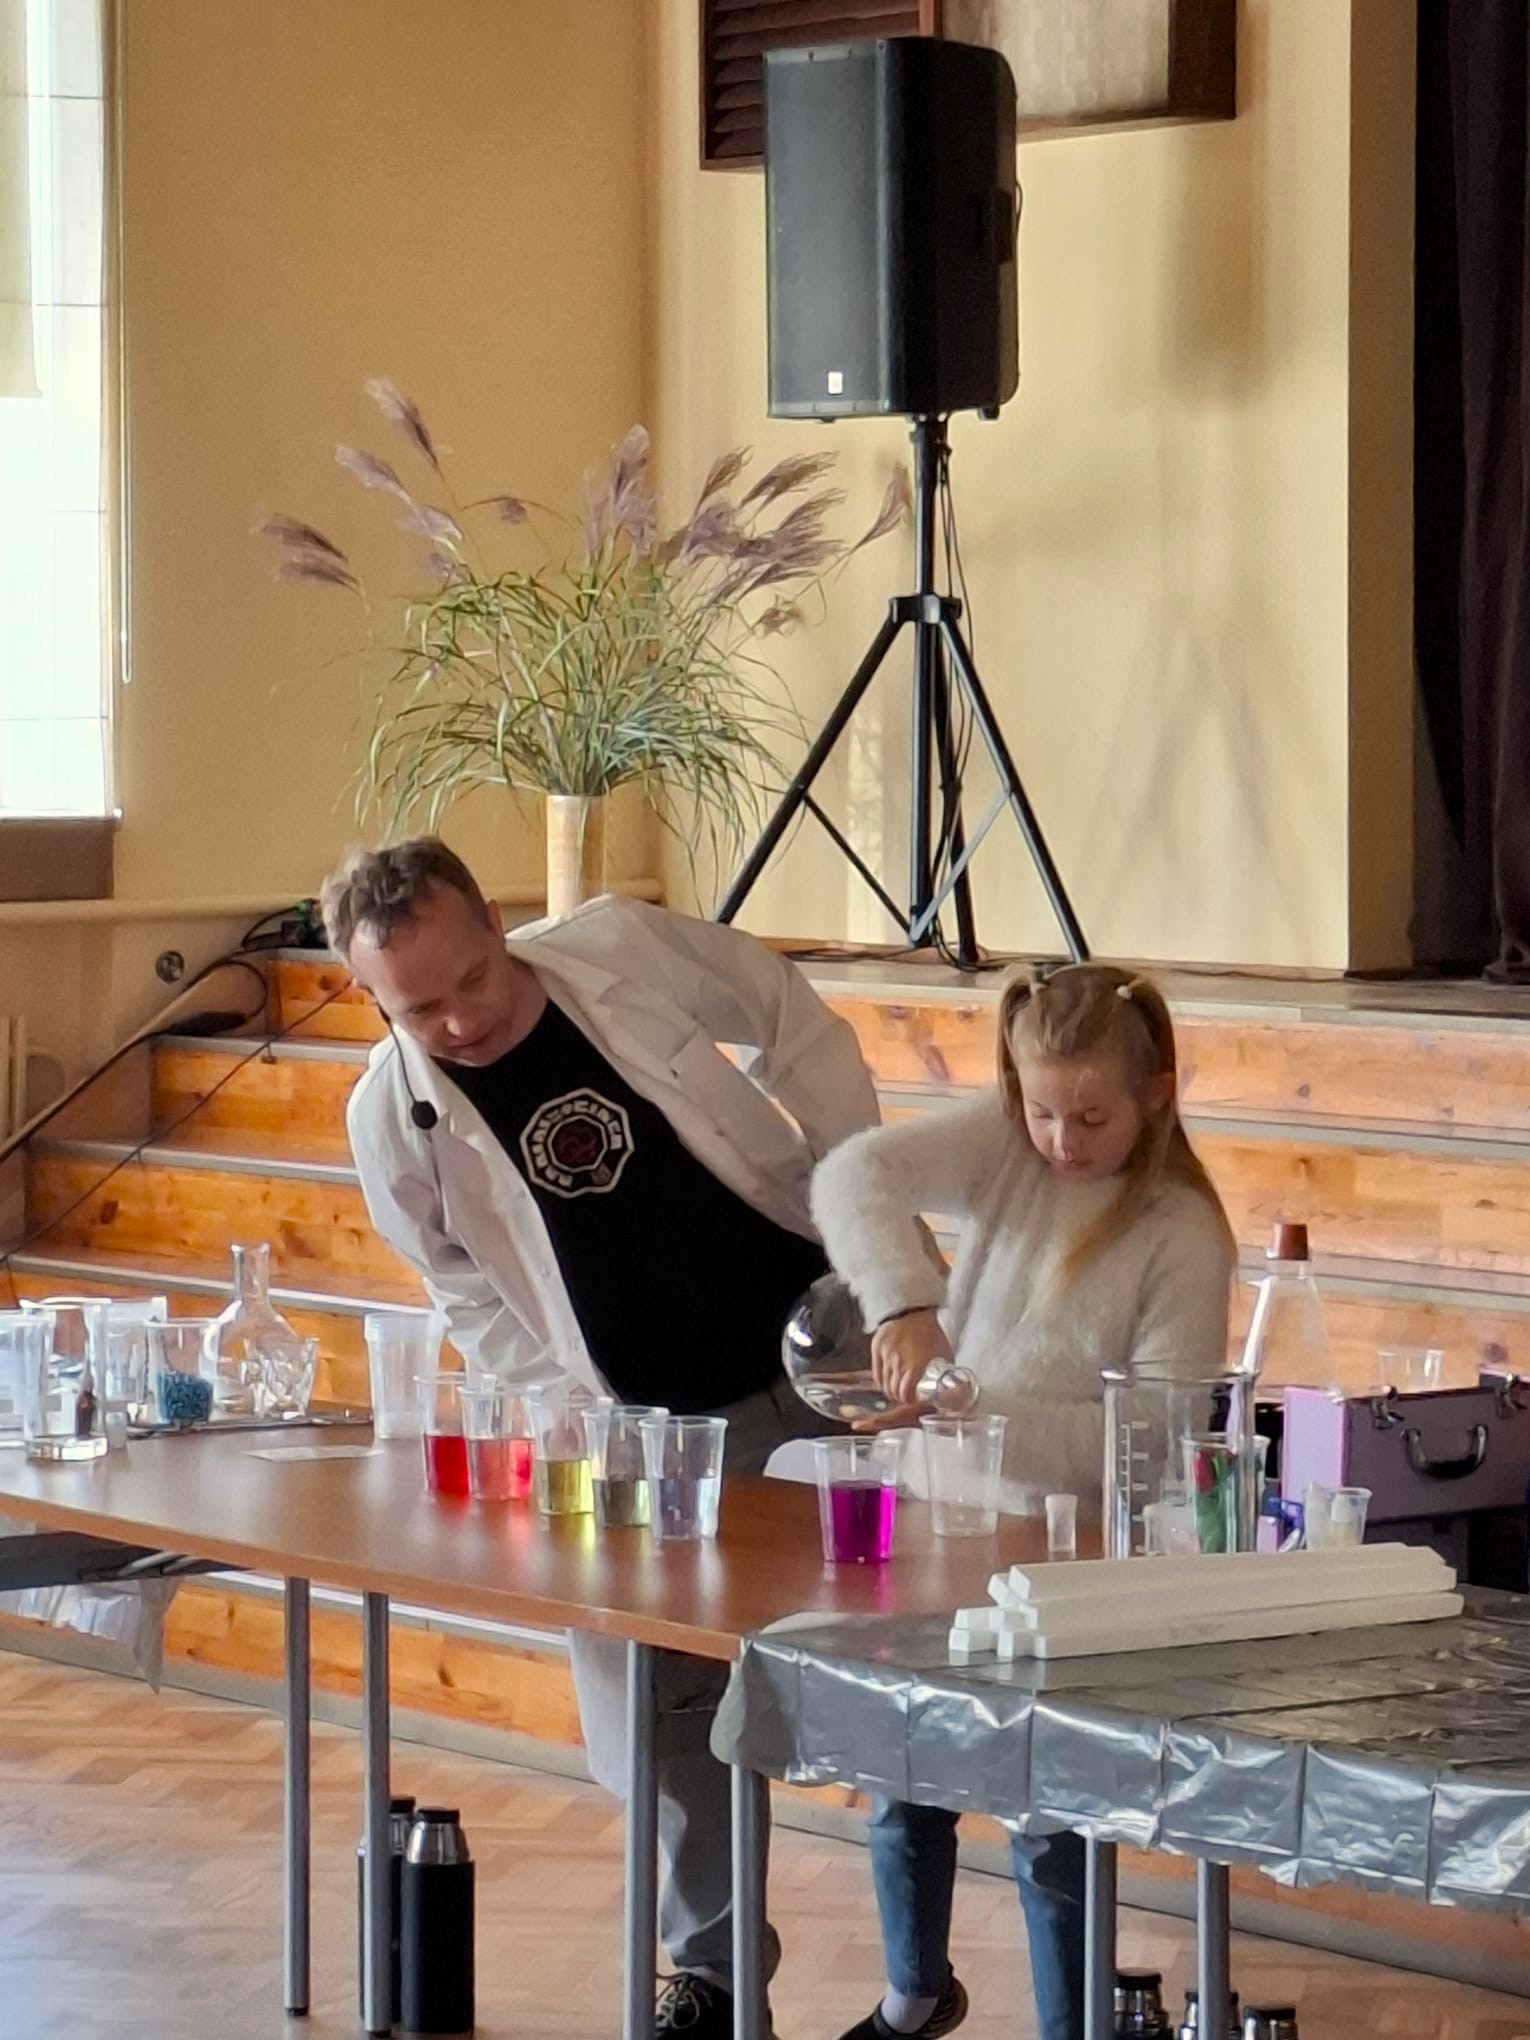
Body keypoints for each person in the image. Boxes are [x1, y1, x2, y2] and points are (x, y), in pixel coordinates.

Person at [322, 838, 880, 2039]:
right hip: (646, 1433)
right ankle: (715, 1982)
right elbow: (460, 1290)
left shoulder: (618, 948)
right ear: (369, 997)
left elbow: (787, 1012)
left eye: (474, 978)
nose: (462, 1020)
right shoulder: (389, 1117)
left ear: (497, 923)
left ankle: (916, 1967)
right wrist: (569, 1402)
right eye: (420, 1009)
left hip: (820, 1352)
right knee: (669, 1714)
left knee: (901, 1649)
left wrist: (857, 1194)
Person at [810, 963, 1237, 2040]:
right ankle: (913, 1995)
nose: (1060, 1140)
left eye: (1090, 1118)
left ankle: (1069, 2024)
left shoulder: (1181, 1232)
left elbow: (1152, 1437)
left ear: (1157, 1096)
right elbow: (853, 1175)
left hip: (1066, 1564)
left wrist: (963, 1401)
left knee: (1051, 1821)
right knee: (901, 1774)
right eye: (1041, 1110)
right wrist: (902, 1303)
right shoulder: (1011, 1143)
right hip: (941, 1527)